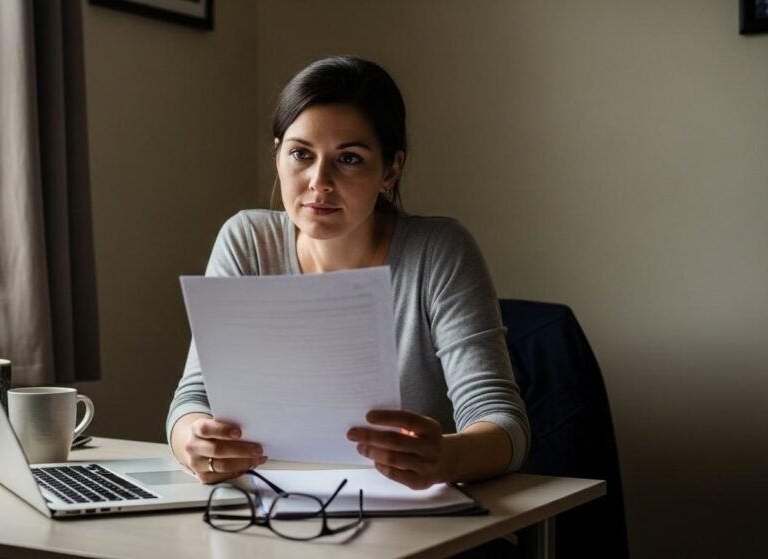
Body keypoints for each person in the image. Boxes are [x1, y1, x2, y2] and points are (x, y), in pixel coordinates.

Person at [166, 55, 529, 491]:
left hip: (411, 521)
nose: (319, 181)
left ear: (390, 170)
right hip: (271, 509)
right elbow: (194, 397)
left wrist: (446, 457)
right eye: (300, 154)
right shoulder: (247, 241)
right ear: (278, 153)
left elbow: (505, 425)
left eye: (350, 159)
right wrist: (193, 439)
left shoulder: (439, 252)